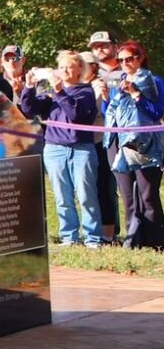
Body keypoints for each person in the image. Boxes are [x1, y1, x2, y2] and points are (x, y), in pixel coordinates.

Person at [19, 50, 105, 246]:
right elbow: (29, 110)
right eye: (61, 67)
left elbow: (76, 115)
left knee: (86, 195)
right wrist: (29, 86)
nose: (64, 70)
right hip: (54, 149)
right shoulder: (50, 95)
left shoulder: (86, 92)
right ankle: (69, 237)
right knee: (62, 197)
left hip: (81, 149)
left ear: (79, 71)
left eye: (70, 67)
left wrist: (60, 91)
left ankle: (93, 238)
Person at [100, 41, 164, 250]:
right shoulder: (118, 82)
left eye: (129, 58)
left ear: (140, 58)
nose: (125, 63)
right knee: (127, 195)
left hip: (146, 145)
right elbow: (108, 114)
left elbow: (156, 113)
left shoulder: (153, 81)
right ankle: (133, 239)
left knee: (148, 195)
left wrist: (136, 94)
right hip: (118, 144)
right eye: (120, 60)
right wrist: (106, 98)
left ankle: (155, 241)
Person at [86, 30, 124, 244]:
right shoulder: (89, 72)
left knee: (129, 188)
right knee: (103, 186)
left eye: (104, 45)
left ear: (115, 46)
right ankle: (108, 232)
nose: (99, 49)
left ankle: (143, 231)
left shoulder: (127, 69)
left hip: (127, 138)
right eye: (95, 46)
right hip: (100, 139)